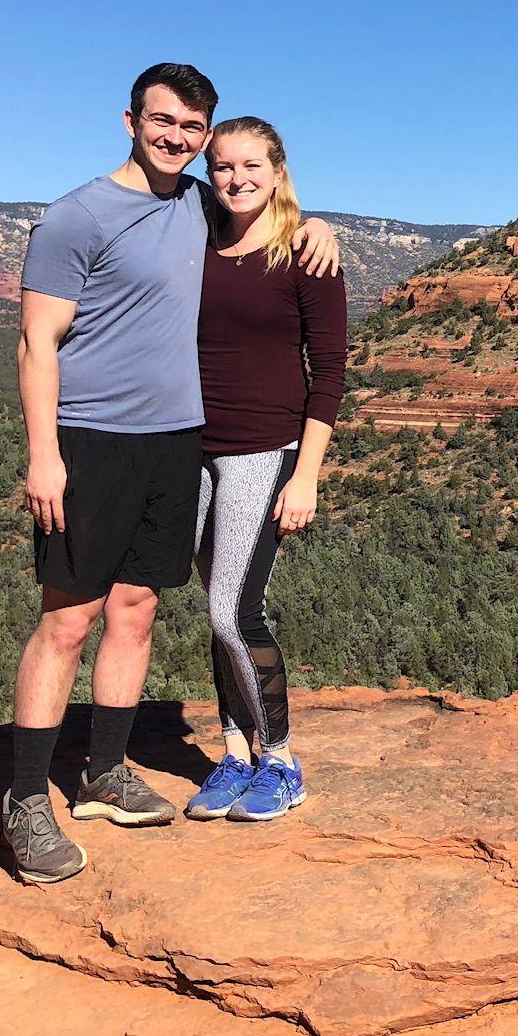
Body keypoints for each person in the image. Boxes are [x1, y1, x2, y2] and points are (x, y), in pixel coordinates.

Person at [3, 64, 340, 886]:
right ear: (130, 120)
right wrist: (43, 454)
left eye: (194, 129)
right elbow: (35, 342)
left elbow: (270, 225)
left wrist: (319, 221)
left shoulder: (200, 204)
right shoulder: (77, 215)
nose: (181, 140)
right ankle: (22, 802)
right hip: (91, 440)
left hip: (178, 444)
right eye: (165, 123)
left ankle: (107, 771)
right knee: (69, 619)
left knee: (139, 606)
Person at [182, 117, 346, 824]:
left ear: (278, 169)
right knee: (213, 614)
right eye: (222, 166)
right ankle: (233, 752)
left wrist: (305, 474)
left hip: (264, 449)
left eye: (251, 164)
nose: (236, 177)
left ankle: (280, 758)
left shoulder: (305, 252)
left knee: (233, 609)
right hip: (187, 448)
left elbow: (329, 373)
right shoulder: (194, 232)